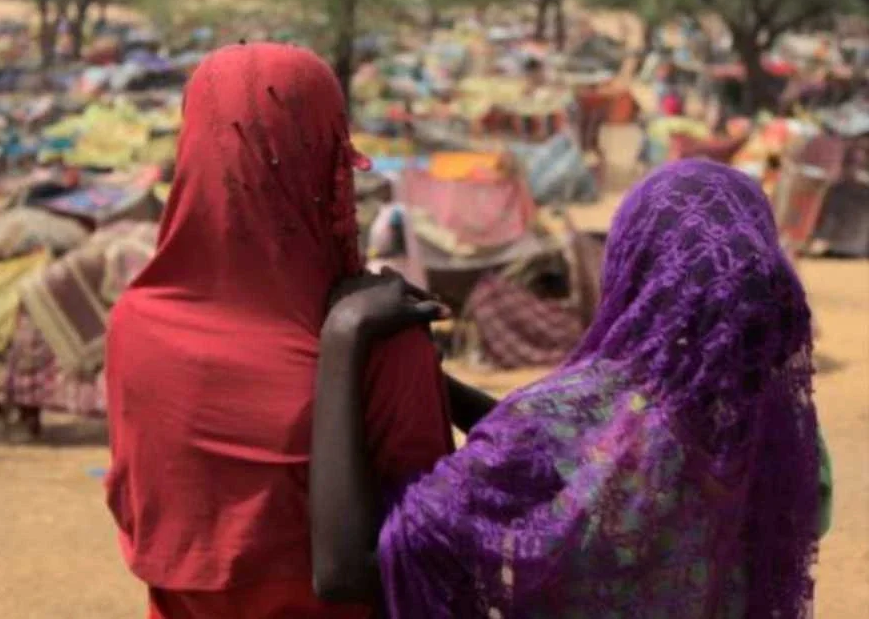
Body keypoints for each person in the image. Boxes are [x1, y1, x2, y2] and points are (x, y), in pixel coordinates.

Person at [313, 160, 830, 618]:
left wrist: (344, 335)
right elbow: (587, 453)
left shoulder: (583, 415)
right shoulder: (781, 438)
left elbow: (351, 569)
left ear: (633, 266)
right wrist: (436, 385)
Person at [105, 43, 454, 619]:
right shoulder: (382, 345)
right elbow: (426, 547)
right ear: (330, 158)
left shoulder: (135, 325)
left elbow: (138, 513)